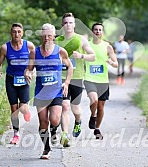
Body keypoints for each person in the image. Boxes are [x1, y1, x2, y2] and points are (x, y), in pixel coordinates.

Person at [24, 23, 73, 159]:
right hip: (41, 92)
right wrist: (27, 73)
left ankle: (54, 130)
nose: (46, 38)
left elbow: (70, 67)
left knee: (55, 119)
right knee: (43, 122)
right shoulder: (35, 52)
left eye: (49, 35)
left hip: (56, 91)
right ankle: (46, 149)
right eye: (44, 35)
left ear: (54, 36)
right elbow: (29, 68)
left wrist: (67, 83)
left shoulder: (60, 51)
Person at [52, 12, 95, 147]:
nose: (68, 25)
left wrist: (81, 56)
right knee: (64, 106)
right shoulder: (57, 41)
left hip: (76, 78)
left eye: (70, 22)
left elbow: (92, 56)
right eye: (66, 23)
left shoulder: (81, 39)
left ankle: (78, 121)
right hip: (61, 78)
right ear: (62, 25)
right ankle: (64, 135)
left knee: (75, 108)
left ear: (74, 25)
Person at [0, 23, 35, 144]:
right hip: (11, 79)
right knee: (14, 108)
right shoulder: (5, 48)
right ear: (11, 33)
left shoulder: (29, 46)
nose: (16, 34)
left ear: (22, 33)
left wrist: (31, 71)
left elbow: (34, 61)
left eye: (18, 31)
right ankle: (16, 133)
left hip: (24, 79)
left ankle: (26, 111)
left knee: (23, 108)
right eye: (14, 32)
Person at [84, 23, 118, 139]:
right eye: (95, 30)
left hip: (103, 80)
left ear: (102, 32)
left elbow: (116, 64)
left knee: (101, 107)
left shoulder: (107, 46)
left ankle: (97, 129)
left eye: (100, 30)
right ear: (92, 32)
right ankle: (93, 115)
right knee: (94, 101)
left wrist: (111, 62)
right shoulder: (86, 45)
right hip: (89, 78)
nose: (98, 31)